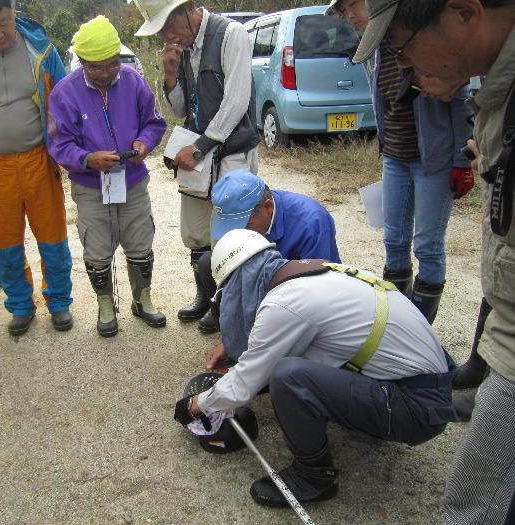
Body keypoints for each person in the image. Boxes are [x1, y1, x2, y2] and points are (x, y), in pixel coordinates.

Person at [353, 1, 515, 523]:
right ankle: (407, 337)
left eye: (401, 44)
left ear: (464, 13)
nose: (400, 60)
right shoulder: (499, 91)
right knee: (396, 245)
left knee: (478, 499)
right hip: (398, 155)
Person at [175, 229, 457, 509]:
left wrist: (197, 405)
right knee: (286, 369)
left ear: (239, 284)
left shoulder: (283, 304)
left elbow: (243, 384)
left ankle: (314, 477)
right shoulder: (311, 273)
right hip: (427, 385)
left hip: (417, 409)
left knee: (288, 376)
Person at [327, 0, 474, 325]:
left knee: (427, 245)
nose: (349, 14)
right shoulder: (375, 49)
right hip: (394, 156)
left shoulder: (422, 37)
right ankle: (396, 323)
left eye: (353, 4)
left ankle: (419, 327)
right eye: (344, 10)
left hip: (431, 160)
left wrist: (461, 160)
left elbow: (461, 95)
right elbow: (384, 103)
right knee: (393, 240)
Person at [132, 0, 260, 330]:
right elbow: (178, 110)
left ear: (189, 8)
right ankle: (205, 297)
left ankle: (227, 308)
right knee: (196, 231)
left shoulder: (233, 35)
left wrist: (201, 147)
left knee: (231, 235)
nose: (167, 36)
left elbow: (236, 101)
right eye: (160, 32)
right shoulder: (184, 46)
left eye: (169, 26)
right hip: (197, 153)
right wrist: (171, 74)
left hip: (230, 153)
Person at [0, 0, 73, 336]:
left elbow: (62, 101)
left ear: (13, 11)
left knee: (52, 236)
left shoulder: (42, 50)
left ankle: (59, 301)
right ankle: (20, 305)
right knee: (6, 242)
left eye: (3, 23)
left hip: (38, 159)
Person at [48, 16, 167, 337]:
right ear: (81, 62)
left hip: (131, 178)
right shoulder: (64, 94)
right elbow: (59, 144)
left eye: (112, 64)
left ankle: (142, 300)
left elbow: (155, 122)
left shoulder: (134, 81)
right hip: (90, 186)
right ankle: (105, 303)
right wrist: (87, 159)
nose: (105, 72)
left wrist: (145, 142)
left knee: (141, 243)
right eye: (95, 66)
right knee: (97, 248)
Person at [197, 169, 341, 337]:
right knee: (207, 262)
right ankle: (231, 337)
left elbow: (317, 288)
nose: (238, 232)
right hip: (264, 283)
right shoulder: (249, 213)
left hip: (296, 292)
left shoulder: (311, 221)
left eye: (244, 224)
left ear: (268, 207)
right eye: (230, 225)